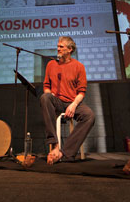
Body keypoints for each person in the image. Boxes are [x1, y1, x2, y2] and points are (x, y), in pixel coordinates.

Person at [40, 36, 95, 165]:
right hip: (57, 101)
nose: (57, 48)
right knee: (45, 97)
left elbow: (81, 91)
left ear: (70, 49)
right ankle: (54, 144)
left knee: (89, 116)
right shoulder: (51, 64)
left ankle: (65, 153)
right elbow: (46, 87)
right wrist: (50, 95)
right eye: (57, 46)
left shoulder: (79, 66)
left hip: (72, 102)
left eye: (61, 47)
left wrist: (74, 105)